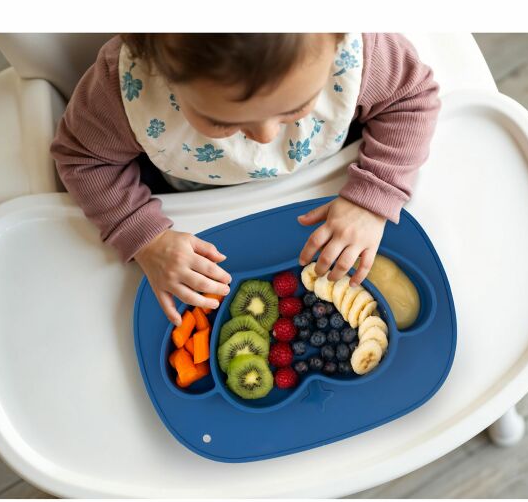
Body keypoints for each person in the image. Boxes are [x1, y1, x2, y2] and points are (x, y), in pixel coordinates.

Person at [50, 33, 439, 324]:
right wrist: (146, 238)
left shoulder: (358, 53)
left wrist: (372, 197)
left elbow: (411, 99)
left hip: (328, 179)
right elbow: (84, 159)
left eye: (296, 108)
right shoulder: (124, 91)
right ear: (158, 69)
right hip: (197, 196)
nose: (265, 137)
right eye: (222, 122)